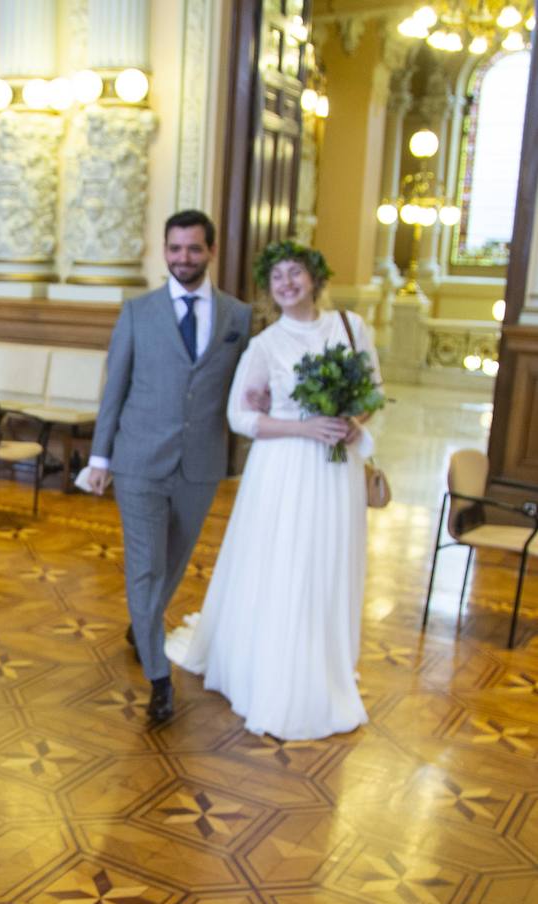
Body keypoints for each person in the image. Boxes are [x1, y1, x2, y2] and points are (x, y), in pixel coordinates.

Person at [165, 241, 375, 740]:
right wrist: (306, 429)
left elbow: (371, 392)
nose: (286, 284)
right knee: (287, 560)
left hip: (336, 471)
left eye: (295, 273)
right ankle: (279, 669)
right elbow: (241, 417)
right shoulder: (265, 345)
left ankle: (325, 664)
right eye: (277, 277)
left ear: (315, 278)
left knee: (328, 560)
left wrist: (350, 422)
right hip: (284, 471)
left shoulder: (351, 327)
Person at [82, 210, 253, 724]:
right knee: (146, 566)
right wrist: (99, 458)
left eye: (194, 249)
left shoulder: (238, 318)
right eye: (175, 249)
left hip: (201, 464)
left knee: (175, 564)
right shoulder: (137, 312)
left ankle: (144, 624)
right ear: (164, 250)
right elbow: (114, 388)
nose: (184, 259)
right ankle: (159, 677)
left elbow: (248, 387)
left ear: (211, 251)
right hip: (139, 461)